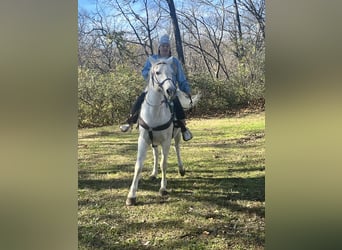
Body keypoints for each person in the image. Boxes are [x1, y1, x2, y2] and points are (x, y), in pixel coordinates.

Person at [120, 34, 193, 141]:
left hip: (169, 89)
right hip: (153, 89)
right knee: (140, 99)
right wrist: (152, 75)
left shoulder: (174, 62)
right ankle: (130, 121)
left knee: (177, 104)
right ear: (159, 47)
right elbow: (144, 72)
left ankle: (183, 129)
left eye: (167, 46)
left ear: (169, 48)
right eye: (163, 45)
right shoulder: (152, 59)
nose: (165, 47)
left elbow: (181, 78)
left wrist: (186, 90)